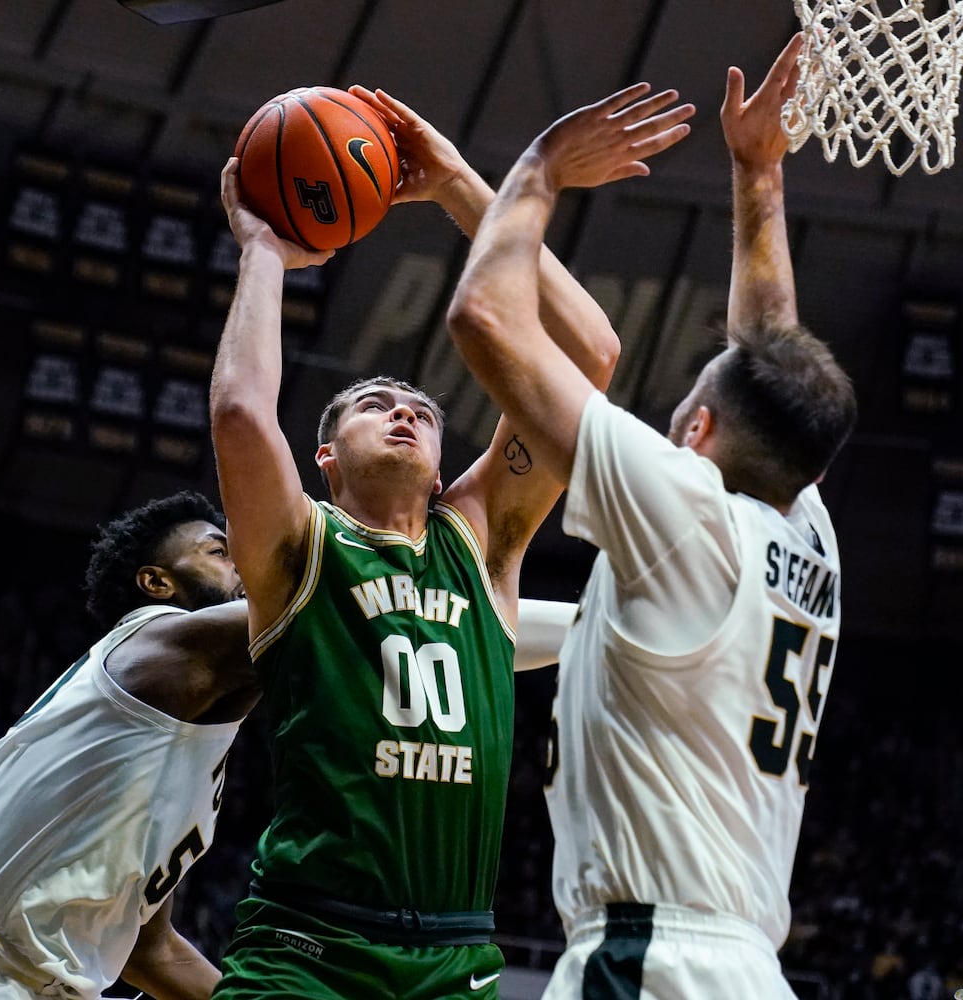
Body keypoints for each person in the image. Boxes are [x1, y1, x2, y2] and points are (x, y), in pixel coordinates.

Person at [205, 84, 686, 1000]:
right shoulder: (298, 549)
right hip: (307, 951)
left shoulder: (484, 539)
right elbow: (238, 412)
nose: (404, 411)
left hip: (456, 959)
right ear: (324, 457)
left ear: (440, 470)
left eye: (422, 411)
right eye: (375, 405)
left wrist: (468, 186)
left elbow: (589, 355)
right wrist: (264, 250)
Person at [446, 34, 858, 999]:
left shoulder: (684, 508)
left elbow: (484, 319)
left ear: (699, 429)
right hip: (747, 968)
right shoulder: (806, 531)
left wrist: (538, 169)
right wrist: (758, 176)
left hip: (652, 964)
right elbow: (774, 357)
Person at [0, 491, 257, 1000]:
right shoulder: (156, 642)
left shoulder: (165, 735)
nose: (244, 564)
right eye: (220, 553)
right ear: (156, 583)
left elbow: (151, 953)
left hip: (28, 982)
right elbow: (301, 608)